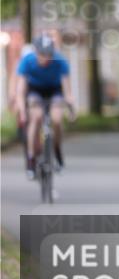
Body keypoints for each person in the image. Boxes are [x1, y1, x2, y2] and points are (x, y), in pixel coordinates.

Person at [14, 35, 75, 179]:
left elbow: (67, 91)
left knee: (57, 119)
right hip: (35, 90)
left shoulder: (60, 62)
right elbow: (20, 91)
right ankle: (30, 159)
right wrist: (22, 110)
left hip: (54, 90)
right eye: (42, 55)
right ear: (36, 52)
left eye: (49, 55)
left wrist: (71, 108)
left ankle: (57, 149)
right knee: (37, 117)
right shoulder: (27, 62)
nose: (46, 59)